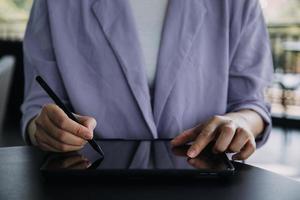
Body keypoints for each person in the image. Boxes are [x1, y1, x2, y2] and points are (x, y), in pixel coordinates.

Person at [22, 0, 273, 160]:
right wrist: (43, 129)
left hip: (202, 180)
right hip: (88, 179)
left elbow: (252, 103)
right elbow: (39, 106)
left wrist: (240, 122)